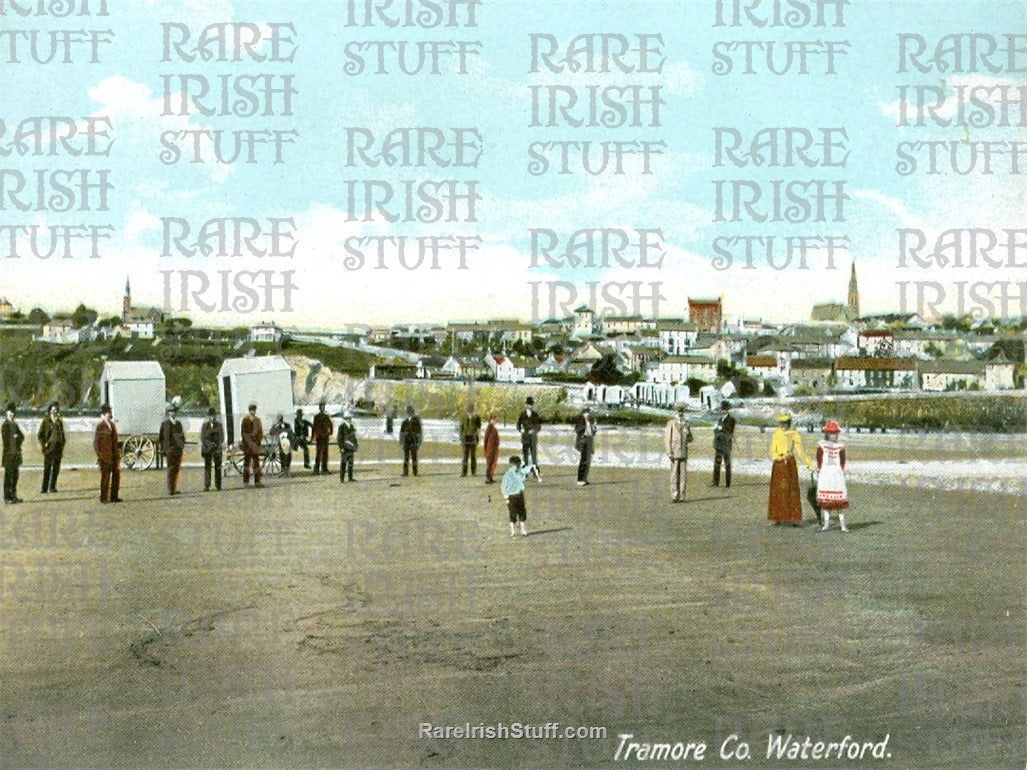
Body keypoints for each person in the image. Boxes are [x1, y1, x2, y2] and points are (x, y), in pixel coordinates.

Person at [768, 412, 814, 526]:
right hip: (778, 464)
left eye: (785, 423)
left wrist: (809, 464)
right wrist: (778, 457)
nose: (783, 425)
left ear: (789, 423)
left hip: (789, 463)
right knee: (778, 490)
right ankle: (777, 517)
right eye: (781, 423)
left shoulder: (794, 434)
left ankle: (794, 518)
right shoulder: (776, 433)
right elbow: (773, 449)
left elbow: (800, 451)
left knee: (792, 490)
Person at [816, 420, 850, 532]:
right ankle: (826, 524)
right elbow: (819, 459)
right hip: (826, 474)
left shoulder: (840, 446)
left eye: (835, 433)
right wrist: (821, 470)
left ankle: (843, 525)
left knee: (839, 501)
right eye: (831, 433)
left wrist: (840, 470)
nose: (833, 436)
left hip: (837, 474)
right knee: (826, 502)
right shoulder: (822, 445)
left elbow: (843, 460)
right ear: (827, 434)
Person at [664, 404, 693, 503]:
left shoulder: (686, 424)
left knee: (683, 476)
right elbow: (667, 439)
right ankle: (674, 495)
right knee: (674, 475)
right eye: (679, 411)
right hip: (674, 452)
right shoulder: (671, 423)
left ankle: (682, 496)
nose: (680, 413)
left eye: (682, 412)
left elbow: (690, 439)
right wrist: (669, 452)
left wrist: (688, 431)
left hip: (684, 452)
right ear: (676, 412)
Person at [93, 403, 121, 503]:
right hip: (104, 457)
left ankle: (114, 496)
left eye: (110, 412)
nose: (110, 414)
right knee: (105, 478)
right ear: (104, 413)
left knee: (116, 476)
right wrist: (99, 455)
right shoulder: (100, 426)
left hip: (114, 455)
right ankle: (104, 497)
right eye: (108, 412)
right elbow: (96, 443)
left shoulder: (112, 425)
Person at [501, 455, 535, 537]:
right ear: (511, 464)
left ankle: (523, 530)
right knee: (512, 513)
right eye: (515, 465)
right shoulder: (507, 474)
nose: (516, 466)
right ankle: (512, 531)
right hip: (511, 496)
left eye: (517, 465)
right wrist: (506, 497)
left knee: (522, 512)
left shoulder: (520, 472)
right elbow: (503, 486)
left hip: (519, 495)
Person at [37, 401, 66, 494]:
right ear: (49, 411)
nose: (55, 412)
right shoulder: (46, 421)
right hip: (49, 447)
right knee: (47, 468)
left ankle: (52, 486)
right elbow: (40, 434)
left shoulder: (59, 421)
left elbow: (63, 434)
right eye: (53, 410)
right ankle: (44, 488)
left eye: (56, 410)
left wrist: (62, 443)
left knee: (56, 468)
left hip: (58, 447)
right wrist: (44, 444)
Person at [158, 404, 186, 495]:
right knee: (171, 469)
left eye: (174, 412)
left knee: (176, 469)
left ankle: (174, 487)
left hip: (178, 450)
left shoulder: (178, 424)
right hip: (170, 450)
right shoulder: (165, 424)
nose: (173, 413)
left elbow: (182, 436)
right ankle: (171, 489)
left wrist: (182, 446)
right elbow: (162, 438)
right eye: (171, 412)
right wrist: (165, 450)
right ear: (169, 413)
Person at [2, 403, 24, 504]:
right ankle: (7, 497)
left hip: (16, 454)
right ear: (6, 413)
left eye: (13, 412)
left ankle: (13, 496)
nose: (12, 414)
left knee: (15, 476)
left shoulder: (15, 424)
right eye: (10, 412)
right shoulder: (5, 425)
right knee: (8, 476)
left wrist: (17, 438)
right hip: (8, 455)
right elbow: (6, 439)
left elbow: (22, 436)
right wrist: (14, 437)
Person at [515, 396, 542, 481]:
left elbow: (539, 426)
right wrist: (521, 430)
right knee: (525, 456)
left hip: (533, 438)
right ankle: (525, 472)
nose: (530, 406)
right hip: (525, 438)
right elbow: (518, 424)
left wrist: (534, 430)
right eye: (528, 405)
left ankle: (535, 472)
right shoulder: (522, 414)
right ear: (526, 405)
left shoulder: (535, 414)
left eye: (531, 405)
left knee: (534, 456)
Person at [712, 401, 736, 488]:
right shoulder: (719, 419)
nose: (723, 411)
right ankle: (715, 482)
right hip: (719, 444)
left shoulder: (731, 420)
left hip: (726, 445)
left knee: (727, 465)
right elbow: (715, 432)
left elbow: (730, 431)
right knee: (717, 464)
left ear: (728, 410)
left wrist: (721, 428)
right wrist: (716, 429)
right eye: (723, 410)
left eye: (725, 410)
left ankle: (727, 483)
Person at [200, 407, 224, 491]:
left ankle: (218, 485)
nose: (212, 417)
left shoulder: (219, 425)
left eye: (214, 416)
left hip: (217, 449)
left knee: (218, 467)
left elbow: (222, 437)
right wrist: (210, 444)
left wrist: (217, 444)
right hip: (207, 449)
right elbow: (202, 438)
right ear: (208, 416)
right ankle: (207, 485)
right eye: (211, 416)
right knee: (207, 467)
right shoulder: (205, 426)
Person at [240, 402, 265, 487]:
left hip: (255, 445)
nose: (253, 412)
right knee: (246, 463)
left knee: (256, 463)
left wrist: (257, 442)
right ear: (249, 411)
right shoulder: (245, 420)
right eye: (251, 410)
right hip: (247, 445)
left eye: (254, 410)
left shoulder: (258, 420)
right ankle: (245, 482)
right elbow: (244, 433)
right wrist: (249, 442)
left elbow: (260, 433)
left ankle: (258, 481)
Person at [574, 405, 598, 486]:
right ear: (584, 413)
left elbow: (593, 432)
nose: (588, 414)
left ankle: (584, 478)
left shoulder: (591, 420)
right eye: (587, 412)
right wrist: (585, 426)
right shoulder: (581, 419)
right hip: (583, 440)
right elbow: (577, 430)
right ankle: (580, 479)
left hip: (589, 440)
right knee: (583, 460)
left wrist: (593, 426)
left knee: (588, 461)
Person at [459, 403, 482, 477]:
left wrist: (477, 438)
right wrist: (461, 438)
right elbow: (461, 428)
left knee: (473, 456)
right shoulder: (463, 417)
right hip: (465, 438)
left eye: (471, 409)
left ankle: (473, 472)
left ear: (473, 410)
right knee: (465, 456)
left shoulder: (477, 417)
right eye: (469, 410)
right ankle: (464, 472)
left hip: (473, 438)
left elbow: (479, 429)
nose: (470, 411)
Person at [399, 405, 422, 476]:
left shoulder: (416, 421)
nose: (409, 412)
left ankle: (415, 472)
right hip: (406, 441)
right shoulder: (405, 421)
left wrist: (419, 442)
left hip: (413, 440)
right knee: (406, 457)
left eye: (410, 411)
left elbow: (419, 432)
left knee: (414, 457)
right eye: (408, 411)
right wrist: (401, 442)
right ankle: (405, 472)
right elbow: (402, 432)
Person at [312, 400, 333, 475]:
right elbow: (314, 427)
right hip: (319, 437)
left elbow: (330, 425)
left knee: (325, 454)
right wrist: (313, 437)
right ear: (319, 408)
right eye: (321, 407)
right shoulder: (317, 417)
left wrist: (330, 433)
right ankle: (317, 469)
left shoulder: (326, 416)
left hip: (325, 437)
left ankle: (324, 469)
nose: (323, 408)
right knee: (318, 454)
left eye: (323, 407)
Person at [337, 408, 358, 482]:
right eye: (348, 418)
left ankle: (350, 477)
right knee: (343, 463)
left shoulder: (351, 426)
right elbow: (339, 438)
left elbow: (354, 437)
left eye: (350, 418)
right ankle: (342, 478)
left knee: (351, 463)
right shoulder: (341, 427)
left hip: (351, 447)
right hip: (345, 447)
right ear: (345, 419)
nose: (350, 419)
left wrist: (356, 445)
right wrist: (341, 447)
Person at [483, 412, 500, 484]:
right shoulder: (489, 427)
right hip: (490, 448)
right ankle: (488, 479)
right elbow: (486, 438)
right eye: (492, 419)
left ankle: (490, 478)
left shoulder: (493, 428)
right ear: (490, 420)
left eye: (495, 419)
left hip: (494, 448)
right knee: (490, 464)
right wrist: (485, 448)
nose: (494, 421)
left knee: (493, 463)